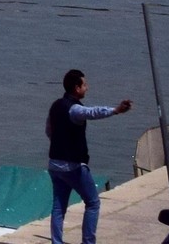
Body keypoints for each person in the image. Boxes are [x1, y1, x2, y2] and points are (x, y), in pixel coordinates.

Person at [47, 68, 131, 244]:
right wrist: (115, 110)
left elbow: (49, 131)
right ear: (76, 88)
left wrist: (60, 142)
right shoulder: (75, 109)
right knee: (93, 203)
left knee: (58, 206)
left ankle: (56, 241)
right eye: (85, 85)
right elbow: (93, 113)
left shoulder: (55, 105)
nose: (88, 88)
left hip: (54, 164)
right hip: (72, 166)